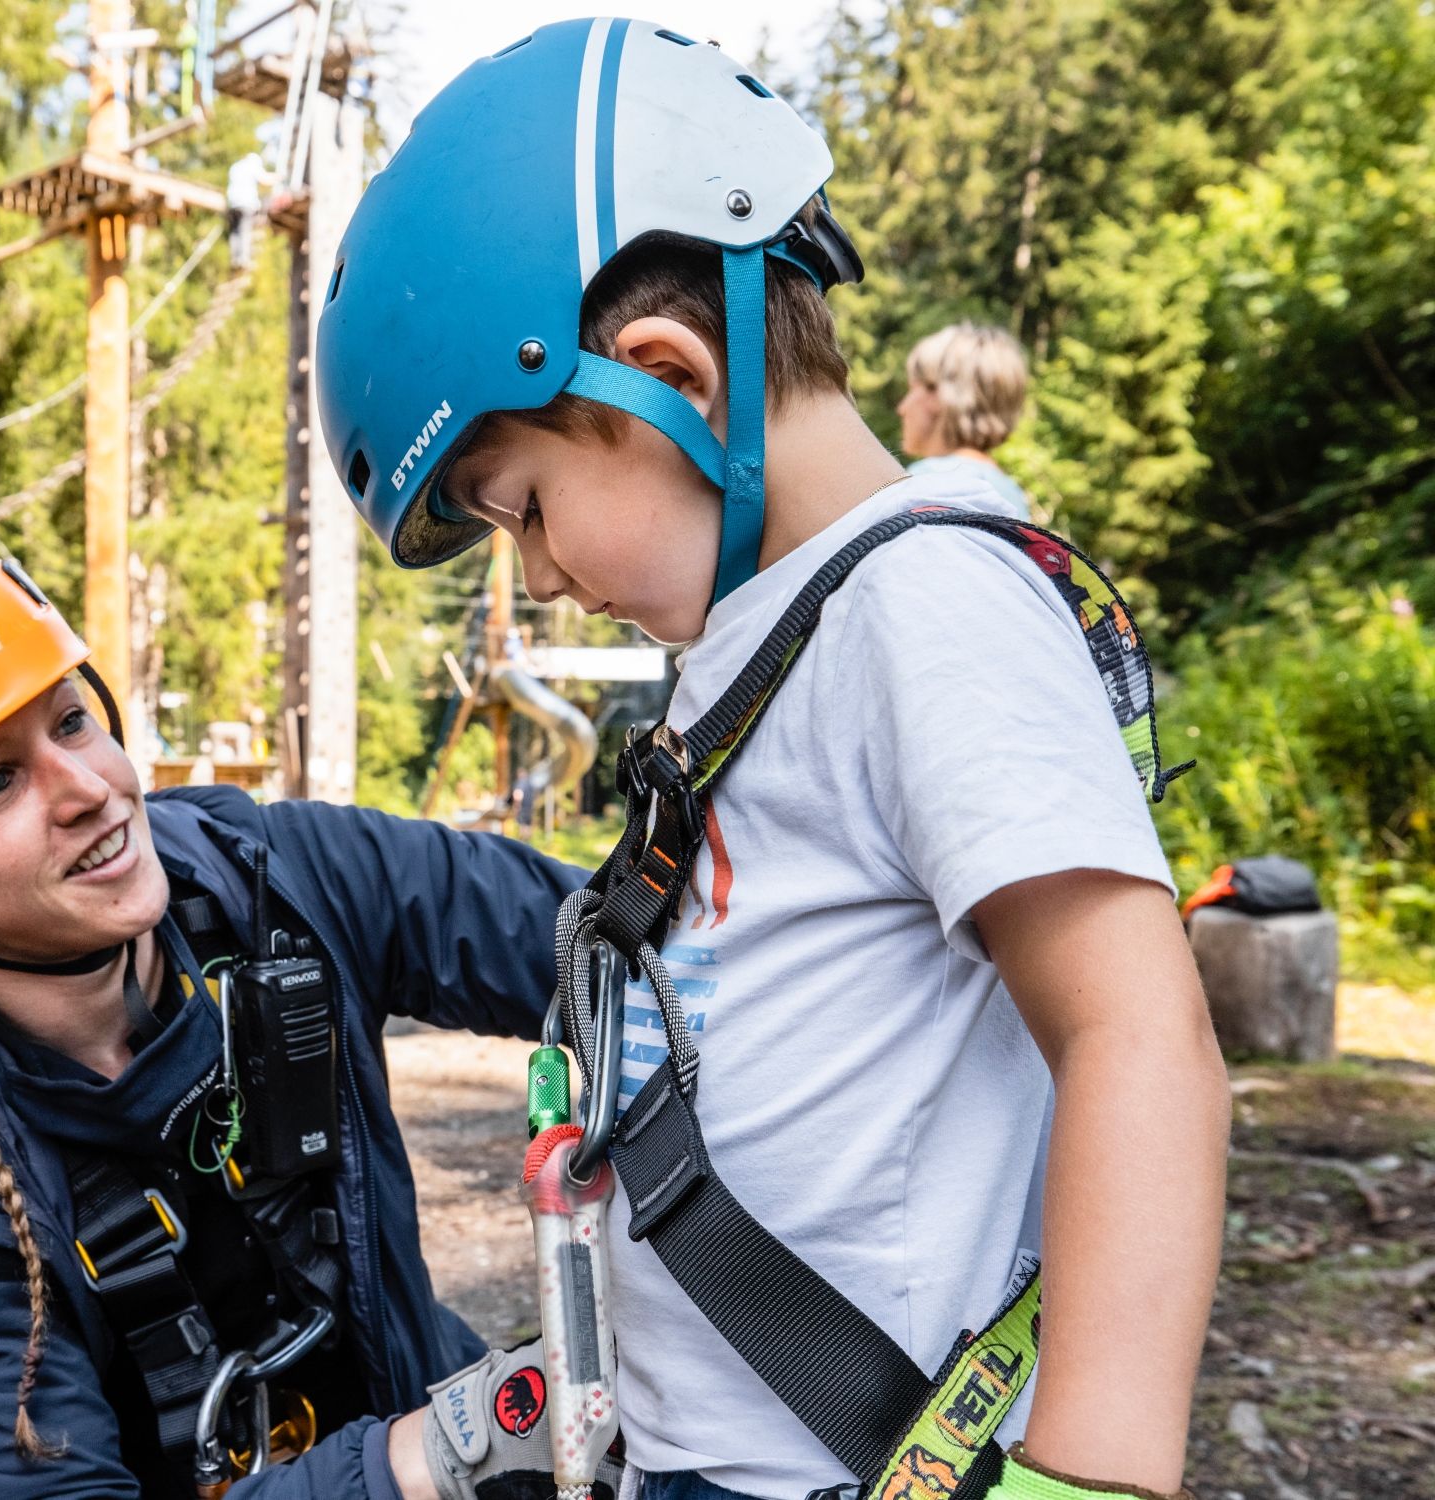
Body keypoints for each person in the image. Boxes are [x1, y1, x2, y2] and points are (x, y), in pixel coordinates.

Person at [316, 20, 1228, 1500]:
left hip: (853, 1465)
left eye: (524, 505)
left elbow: (1141, 1039)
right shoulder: (773, 647)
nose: (538, 576)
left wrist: (1095, 1476)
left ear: (668, 376)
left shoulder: (922, 607)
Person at [0, 524, 618, 1500]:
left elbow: (634, 955)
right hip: (397, 1464)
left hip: (414, 1442)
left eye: (70, 723)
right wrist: (440, 1452)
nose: (89, 790)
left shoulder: (279, 883)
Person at [897, 321, 1034, 519]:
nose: (902, 408)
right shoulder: (1011, 493)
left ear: (939, 394)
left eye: (911, 389)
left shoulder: (928, 481)